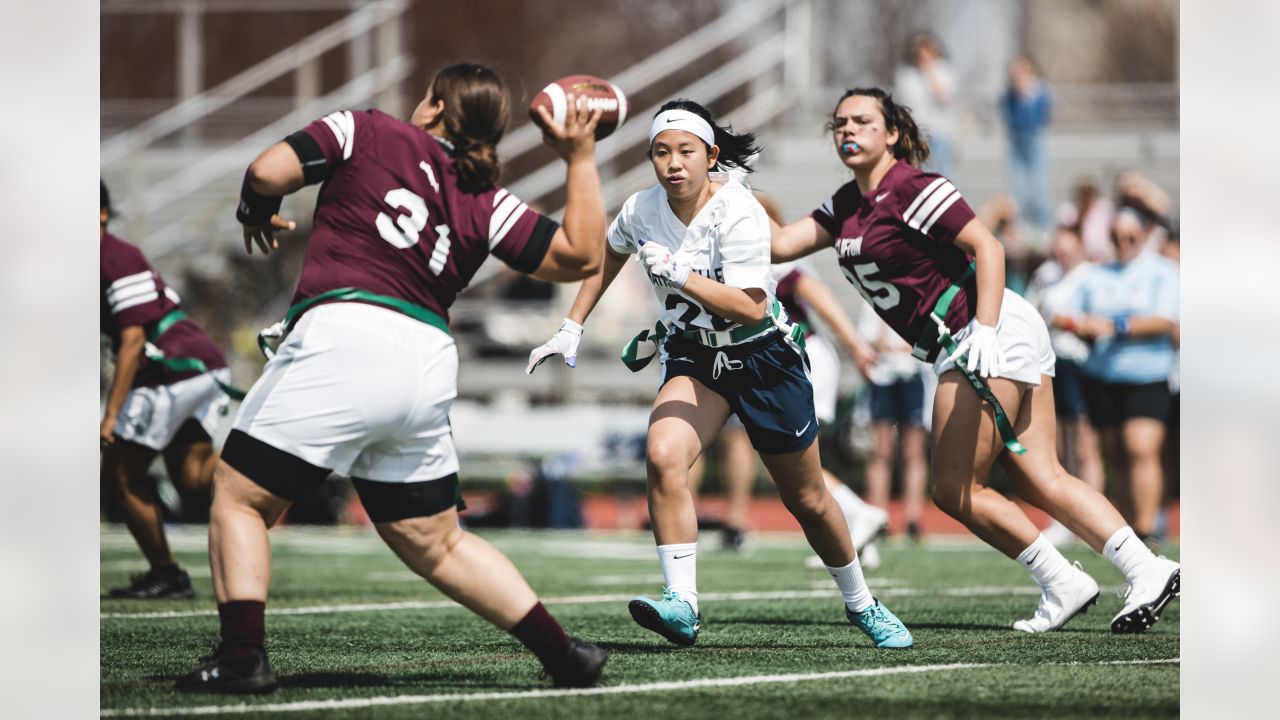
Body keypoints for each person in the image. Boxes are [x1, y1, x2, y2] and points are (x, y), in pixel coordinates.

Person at [176, 63, 610, 694]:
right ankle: (563, 653)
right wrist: (580, 157)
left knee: (241, 499)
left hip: (346, 336)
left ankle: (243, 657)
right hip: (426, 356)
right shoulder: (483, 195)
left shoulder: (367, 128)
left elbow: (268, 170)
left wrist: (256, 210)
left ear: (435, 108)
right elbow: (580, 256)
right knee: (435, 542)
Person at [768, 87, 1180, 634]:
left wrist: (982, 330)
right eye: (840, 123)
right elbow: (778, 244)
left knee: (954, 488)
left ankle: (1066, 577)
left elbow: (989, 247)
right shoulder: (845, 205)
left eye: (862, 121)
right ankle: (1142, 568)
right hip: (976, 332)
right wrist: (721, 191)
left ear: (892, 132)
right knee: (1041, 476)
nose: (847, 130)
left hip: (984, 326)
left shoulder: (912, 186)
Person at [527, 99, 913, 649]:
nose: (674, 163)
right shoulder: (641, 209)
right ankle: (682, 602)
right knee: (663, 454)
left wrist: (680, 275)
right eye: (661, 153)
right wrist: (573, 324)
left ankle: (861, 602)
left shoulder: (740, 209)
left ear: (711, 155)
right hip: (696, 358)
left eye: (686, 151)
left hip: (763, 358)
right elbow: (608, 253)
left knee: (806, 498)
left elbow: (752, 307)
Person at [100, 180, 233, 599]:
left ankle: (167, 574)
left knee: (120, 474)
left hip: (172, 372)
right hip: (196, 368)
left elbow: (134, 340)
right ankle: (279, 468)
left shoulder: (112, 255)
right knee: (192, 479)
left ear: (102, 214)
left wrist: (110, 413)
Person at [1056, 208, 1179, 547]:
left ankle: (1147, 530)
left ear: (1142, 236)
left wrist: (1114, 326)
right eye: (1116, 237)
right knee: (1116, 455)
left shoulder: (1162, 272)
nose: (1123, 244)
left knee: (1140, 448)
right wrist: (1080, 326)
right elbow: (1060, 311)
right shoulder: (1095, 273)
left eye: (1130, 237)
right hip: (1103, 375)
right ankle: (1131, 536)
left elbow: (1164, 320)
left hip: (1147, 374)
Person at [1024, 225, 1104, 546]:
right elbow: (1033, 311)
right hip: (1052, 361)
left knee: (1085, 444)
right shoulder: (1046, 274)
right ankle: (1069, 519)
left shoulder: (1090, 275)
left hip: (1080, 361)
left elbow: (1097, 323)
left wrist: (1068, 321)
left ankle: (1095, 519)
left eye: (1067, 249)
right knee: (1059, 445)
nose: (1062, 255)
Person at [855, 307, 931, 544]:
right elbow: (869, 338)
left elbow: (924, 339)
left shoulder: (915, 292)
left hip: (912, 375)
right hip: (883, 376)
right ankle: (877, 518)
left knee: (914, 452)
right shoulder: (873, 294)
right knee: (881, 451)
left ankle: (913, 519)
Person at [1000, 55, 1053, 240]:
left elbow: (1037, 119)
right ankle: (1020, 230)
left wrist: (1026, 98)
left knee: (1038, 188)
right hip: (1016, 141)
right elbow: (1009, 118)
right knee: (1018, 189)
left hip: (1034, 141)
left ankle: (1044, 230)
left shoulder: (1040, 91)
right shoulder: (1009, 94)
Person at [894, 31, 958, 178]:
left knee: (943, 175)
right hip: (916, 134)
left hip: (940, 133)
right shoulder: (906, 75)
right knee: (918, 176)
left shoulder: (944, 70)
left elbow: (944, 97)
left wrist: (929, 73)